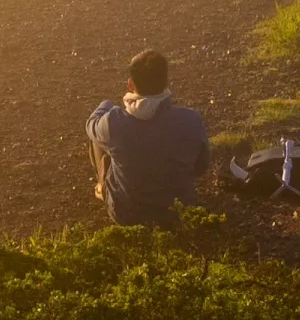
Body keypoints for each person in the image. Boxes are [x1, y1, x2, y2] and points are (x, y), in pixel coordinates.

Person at [86, 48, 211, 227]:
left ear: (131, 85)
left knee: (99, 135)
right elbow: (201, 166)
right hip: (179, 210)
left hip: (127, 215)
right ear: (166, 82)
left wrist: (106, 105)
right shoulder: (191, 120)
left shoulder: (114, 121)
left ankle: (102, 185)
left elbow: (90, 124)